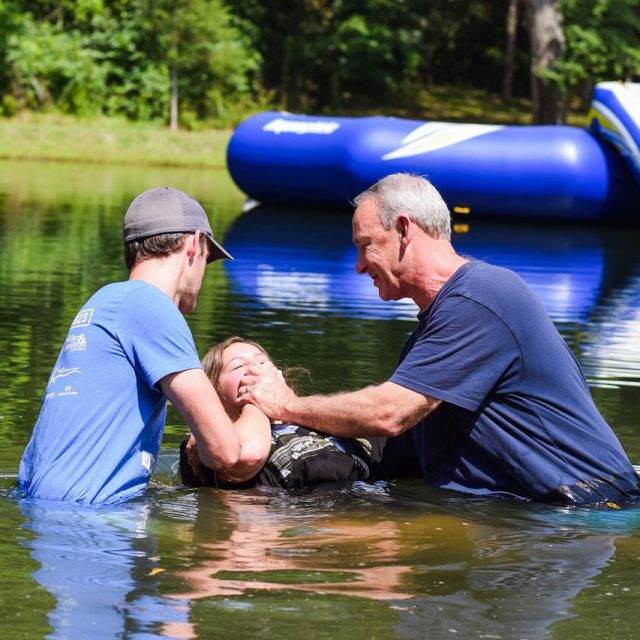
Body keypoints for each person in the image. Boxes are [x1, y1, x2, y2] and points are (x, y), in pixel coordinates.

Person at [239, 173, 640, 505]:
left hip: (593, 508)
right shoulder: (429, 336)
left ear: (403, 230)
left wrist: (287, 405)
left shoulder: (480, 298)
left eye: (365, 246)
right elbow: (394, 453)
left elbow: (388, 414)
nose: (360, 266)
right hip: (542, 515)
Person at [18, 187, 271, 505]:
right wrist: (261, 400)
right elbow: (228, 452)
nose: (204, 274)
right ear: (193, 245)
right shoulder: (151, 306)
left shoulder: (104, 302)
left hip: (48, 517)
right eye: (208, 259)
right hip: (92, 531)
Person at [179, 336, 387, 490]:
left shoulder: (321, 423)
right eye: (238, 366)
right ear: (214, 393)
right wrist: (257, 402)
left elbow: (388, 427)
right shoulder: (211, 443)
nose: (255, 370)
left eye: (262, 362)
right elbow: (247, 454)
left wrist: (286, 404)